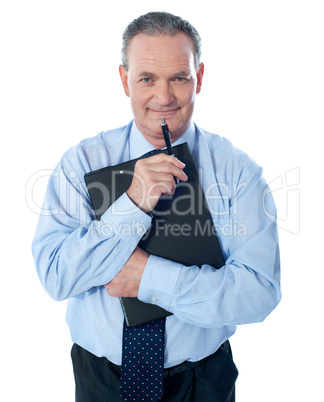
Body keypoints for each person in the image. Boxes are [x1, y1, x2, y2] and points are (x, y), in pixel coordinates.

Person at [32, 11, 281, 402]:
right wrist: (131, 203)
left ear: (198, 78)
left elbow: (259, 292)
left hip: (204, 381)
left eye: (179, 78)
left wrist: (149, 277)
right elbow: (56, 277)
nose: (163, 97)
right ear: (124, 79)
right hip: (99, 379)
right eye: (147, 79)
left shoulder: (238, 172)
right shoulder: (82, 163)